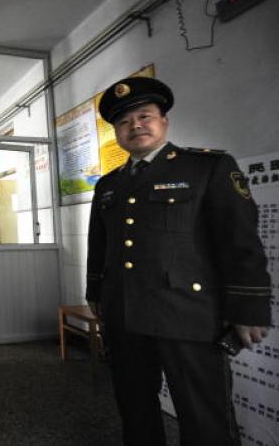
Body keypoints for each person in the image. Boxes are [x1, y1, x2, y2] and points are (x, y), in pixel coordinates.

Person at [86, 77, 271, 446]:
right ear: (116, 133)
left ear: (164, 121)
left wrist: (249, 307)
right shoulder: (108, 185)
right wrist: (96, 294)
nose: (135, 125)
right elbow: (99, 245)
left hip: (188, 315)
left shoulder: (206, 168)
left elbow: (240, 241)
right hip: (124, 316)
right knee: (135, 410)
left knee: (205, 418)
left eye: (144, 115)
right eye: (124, 122)